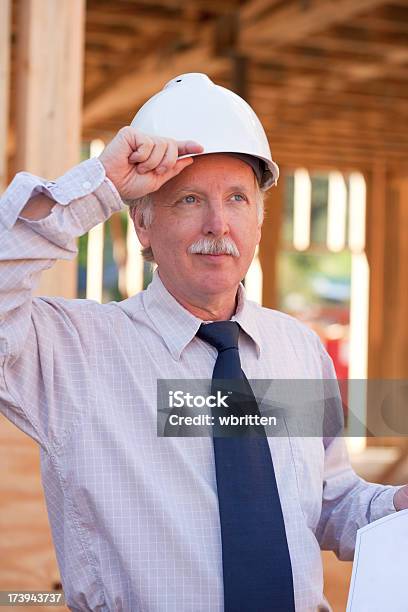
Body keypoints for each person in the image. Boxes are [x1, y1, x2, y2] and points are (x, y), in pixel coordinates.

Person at [0, 72, 407, 612]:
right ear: (142, 223)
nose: (218, 224)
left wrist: (397, 505)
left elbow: (328, 503)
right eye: (189, 199)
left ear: (259, 220)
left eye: (237, 198)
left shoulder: (296, 349)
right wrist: (99, 185)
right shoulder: (72, 352)